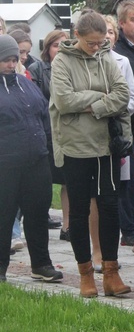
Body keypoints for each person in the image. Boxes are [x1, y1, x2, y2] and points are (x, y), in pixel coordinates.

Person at [49, 10, 131, 298]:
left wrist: (93, 106)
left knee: (109, 208)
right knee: (80, 211)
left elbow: (122, 94)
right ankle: (86, 273)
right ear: (78, 36)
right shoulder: (62, 60)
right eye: (91, 43)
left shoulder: (106, 57)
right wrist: (101, 98)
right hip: (75, 147)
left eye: (101, 42)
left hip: (105, 145)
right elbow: (64, 100)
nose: (97, 48)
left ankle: (111, 272)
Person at [0, 34, 63, 283]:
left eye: (14, 59)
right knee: (3, 216)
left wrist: (47, 149)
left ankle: (41, 264)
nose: (10, 64)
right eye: (5, 59)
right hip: (6, 164)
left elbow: (43, 116)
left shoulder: (26, 83)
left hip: (37, 161)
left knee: (37, 214)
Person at [103, 15, 134, 259]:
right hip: (93, 133)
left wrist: (110, 107)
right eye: (102, 31)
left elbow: (131, 99)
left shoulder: (122, 61)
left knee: (124, 182)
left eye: (110, 32)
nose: (106, 36)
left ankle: (128, 229)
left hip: (120, 129)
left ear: (116, 38)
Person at [28, 30, 70, 241]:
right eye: (55, 45)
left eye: (64, 45)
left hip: (66, 132)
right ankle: (38, 219)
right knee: (42, 181)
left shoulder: (72, 68)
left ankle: (67, 226)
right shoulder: (37, 69)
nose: (60, 49)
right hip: (44, 131)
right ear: (48, 48)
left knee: (66, 181)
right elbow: (35, 101)